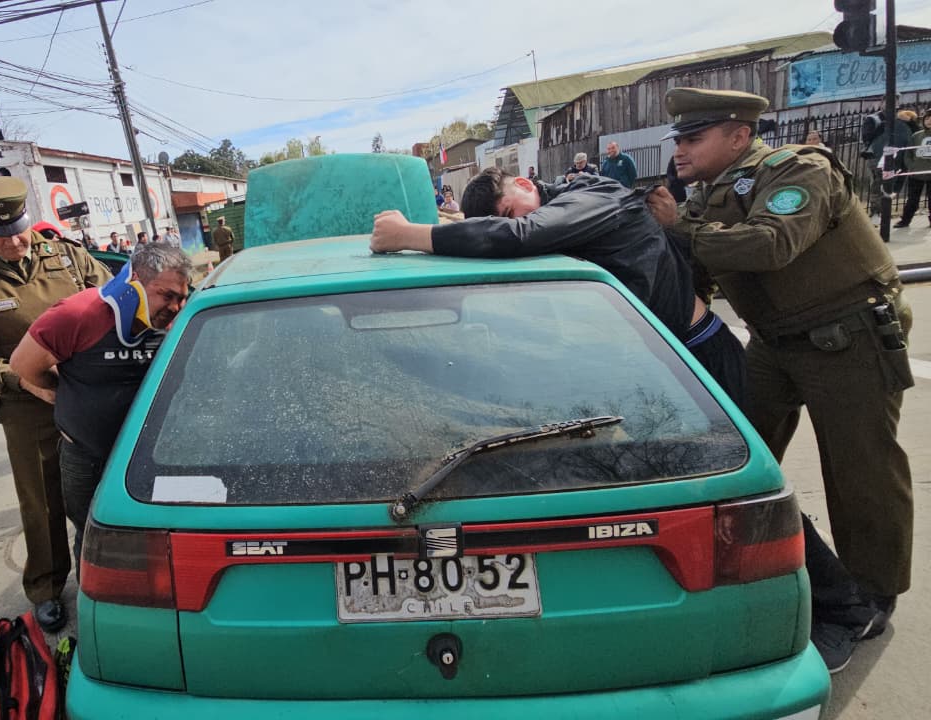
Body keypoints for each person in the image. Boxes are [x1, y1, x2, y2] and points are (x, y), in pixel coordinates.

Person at [645, 87, 913, 673]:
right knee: (736, 453)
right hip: (774, 341)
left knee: (860, 467)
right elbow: (698, 272)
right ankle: (763, 567)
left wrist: (679, 229)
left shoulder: (799, 170)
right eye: (679, 140)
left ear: (739, 136)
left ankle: (869, 597)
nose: (680, 150)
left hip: (846, 334)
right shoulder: (707, 194)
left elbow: (773, 244)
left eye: (694, 138)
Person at [370, 168, 745, 402]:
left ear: (523, 183)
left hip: (698, 351)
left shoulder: (590, 197)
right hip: (655, 358)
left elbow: (519, 235)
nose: (514, 221)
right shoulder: (569, 210)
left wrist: (408, 235)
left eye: (509, 212)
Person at [0, 176, 111, 632]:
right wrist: (22, 380)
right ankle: (46, 587)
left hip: (91, 393)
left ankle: (111, 573)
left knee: (109, 486)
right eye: (0, 235)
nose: (14, 242)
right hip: (25, 404)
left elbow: (116, 305)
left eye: (18, 230)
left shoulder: (69, 256)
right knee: (43, 499)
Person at [10, 244, 190, 575]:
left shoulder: (177, 321)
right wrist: (63, 394)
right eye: (166, 295)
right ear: (135, 282)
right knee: (95, 539)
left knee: (155, 536)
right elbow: (23, 364)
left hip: (156, 456)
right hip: (87, 456)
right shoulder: (77, 314)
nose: (175, 306)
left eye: (181, 297)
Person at [895, 109, 931, 228]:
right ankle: (905, 220)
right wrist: (911, 166)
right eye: (927, 118)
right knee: (912, 200)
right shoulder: (916, 136)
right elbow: (908, 153)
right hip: (916, 173)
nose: (929, 121)